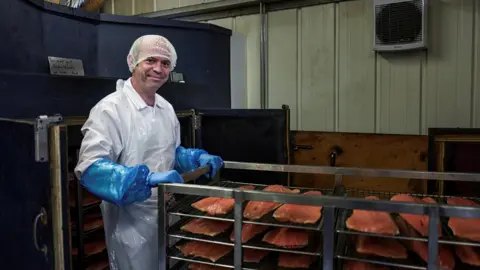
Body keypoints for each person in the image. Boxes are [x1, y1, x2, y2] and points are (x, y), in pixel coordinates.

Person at [74, 34, 224, 270]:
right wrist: (146, 179)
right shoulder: (110, 110)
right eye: (150, 61)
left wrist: (194, 159)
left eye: (165, 63)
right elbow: (91, 168)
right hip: (130, 224)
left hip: (168, 213)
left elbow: (169, 153)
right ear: (133, 62)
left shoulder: (166, 108)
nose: (158, 69)